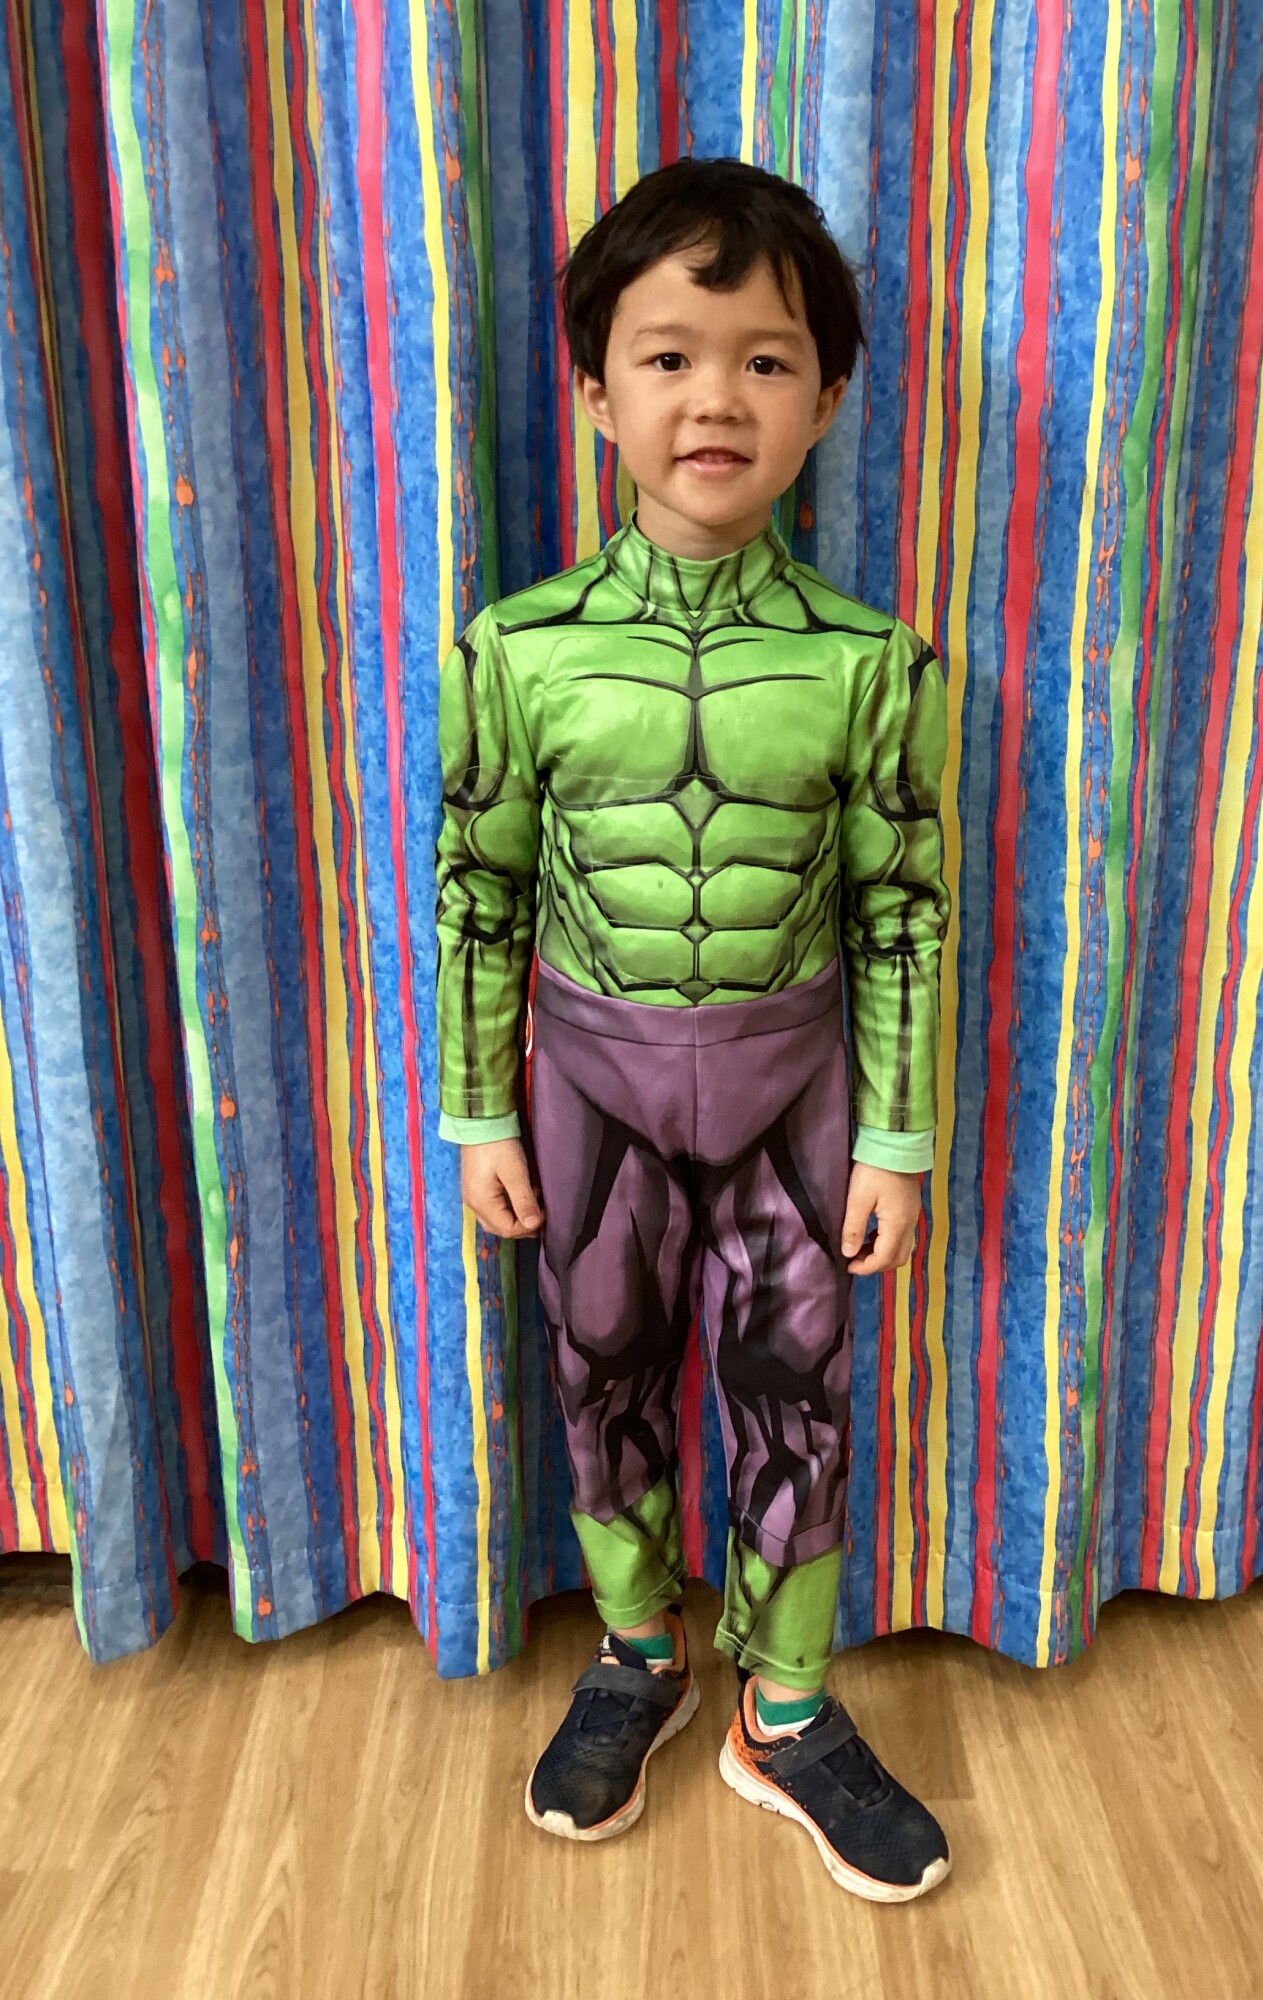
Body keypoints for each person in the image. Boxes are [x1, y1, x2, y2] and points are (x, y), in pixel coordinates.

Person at [435, 156, 950, 1904]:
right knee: (600, 1373)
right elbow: (481, 887)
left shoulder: (876, 663)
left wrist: (897, 1139)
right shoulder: (516, 651)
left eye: (764, 359)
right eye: (666, 356)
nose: (714, 397)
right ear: (596, 393)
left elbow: (901, 909)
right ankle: (638, 1656)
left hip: (797, 1085)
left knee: (799, 1392)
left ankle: (784, 1714)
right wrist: (479, 1113)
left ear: (827, 400)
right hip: (589, 1083)